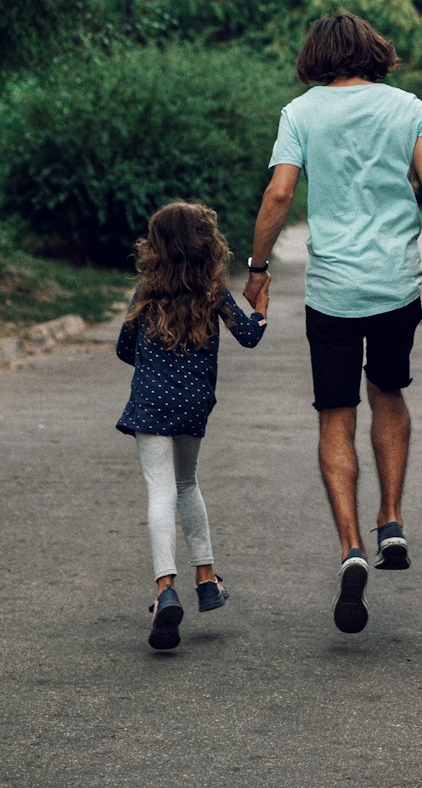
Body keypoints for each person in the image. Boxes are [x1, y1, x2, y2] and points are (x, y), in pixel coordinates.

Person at [245, 10, 422, 634]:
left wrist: (257, 269)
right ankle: (391, 520)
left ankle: (351, 547)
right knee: (387, 393)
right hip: (394, 283)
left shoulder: (299, 113)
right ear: (373, 51)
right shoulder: (410, 107)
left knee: (335, 414)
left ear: (315, 54)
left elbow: (280, 195)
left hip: (332, 289)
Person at [116, 199, 269, 651]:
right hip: (193, 406)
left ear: (156, 245)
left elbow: (125, 348)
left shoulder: (146, 290)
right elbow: (250, 334)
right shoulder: (213, 291)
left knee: (160, 492)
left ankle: (166, 589)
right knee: (186, 484)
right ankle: (206, 577)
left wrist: (151, 358)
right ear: (207, 245)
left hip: (150, 404)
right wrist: (260, 307)